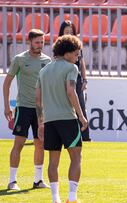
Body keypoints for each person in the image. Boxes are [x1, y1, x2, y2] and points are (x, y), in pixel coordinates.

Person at [36, 35, 88, 203]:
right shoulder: (71, 68)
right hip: (67, 118)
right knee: (76, 157)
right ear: (67, 53)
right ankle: (72, 198)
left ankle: (55, 198)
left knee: (53, 160)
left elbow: (38, 99)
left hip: (50, 120)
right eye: (76, 54)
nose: (77, 58)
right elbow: (71, 91)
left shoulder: (43, 70)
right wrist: (81, 116)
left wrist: (41, 121)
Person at [2, 29, 51, 190]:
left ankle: (38, 180)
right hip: (23, 107)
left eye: (42, 42)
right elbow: (7, 83)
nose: (40, 45)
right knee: (19, 143)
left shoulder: (47, 60)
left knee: (40, 144)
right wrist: (7, 106)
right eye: (37, 42)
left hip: (41, 110)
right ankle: (12, 181)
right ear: (29, 42)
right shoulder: (20, 59)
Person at [58, 20, 90, 141]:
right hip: (63, 79)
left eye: (71, 32)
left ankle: (86, 137)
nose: (69, 34)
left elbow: (81, 63)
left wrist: (85, 80)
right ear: (62, 33)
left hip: (76, 79)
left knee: (81, 107)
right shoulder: (59, 46)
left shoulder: (77, 45)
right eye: (67, 32)